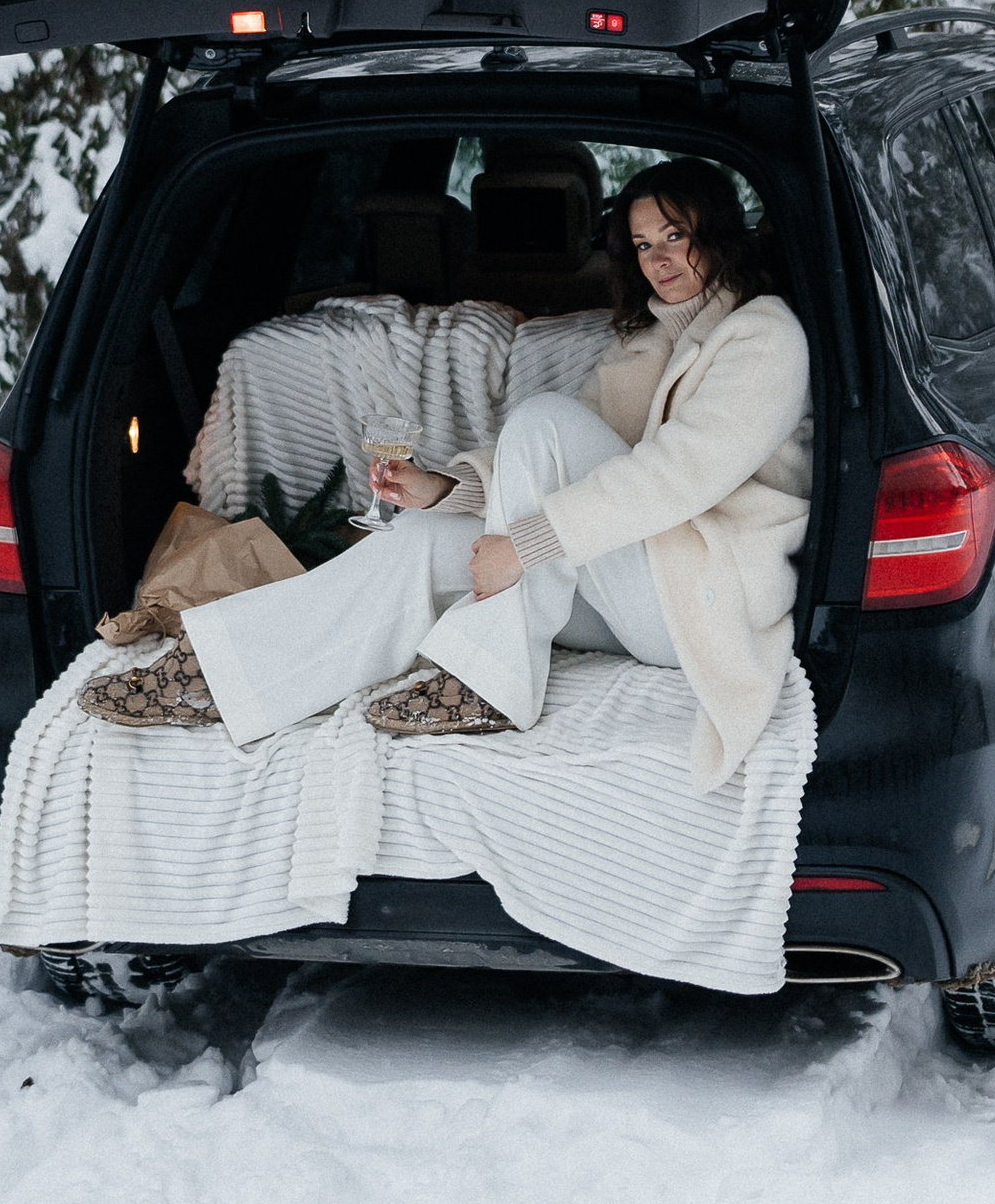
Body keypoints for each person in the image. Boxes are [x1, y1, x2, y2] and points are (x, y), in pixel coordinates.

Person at [154, 159, 812, 790]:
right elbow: (552, 460)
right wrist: (443, 489)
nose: (659, 260)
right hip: (636, 594)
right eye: (642, 245)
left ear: (718, 233)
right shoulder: (641, 346)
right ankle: (223, 674)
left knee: (542, 420)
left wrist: (522, 547)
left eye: (676, 235)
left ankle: (488, 682)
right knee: (415, 539)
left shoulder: (765, 335)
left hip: (704, 600)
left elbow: (678, 475)